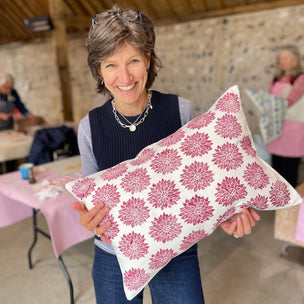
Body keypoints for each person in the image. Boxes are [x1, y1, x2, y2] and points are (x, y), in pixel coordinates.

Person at [72, 5, 260, 303]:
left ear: (148, 59)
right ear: (98, 69)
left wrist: (225, 212)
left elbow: (202, 182)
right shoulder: (89, 128)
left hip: (177, 255)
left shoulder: (180, 111)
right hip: (114, 258)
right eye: (110, 65)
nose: (124, 76)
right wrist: (89, 221)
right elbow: (92, 201)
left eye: (133, 60)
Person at [267, 45, 304, 187]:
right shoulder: (276, 79)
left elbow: (289, 101)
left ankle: (290, 209)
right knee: (276, 171)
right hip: (276, 130)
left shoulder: (300, 79)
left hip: (292, 132)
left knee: (289, 173)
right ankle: (279, 208)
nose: (282, 61)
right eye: (280, 58)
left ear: (294, 60)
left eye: (286, 57)